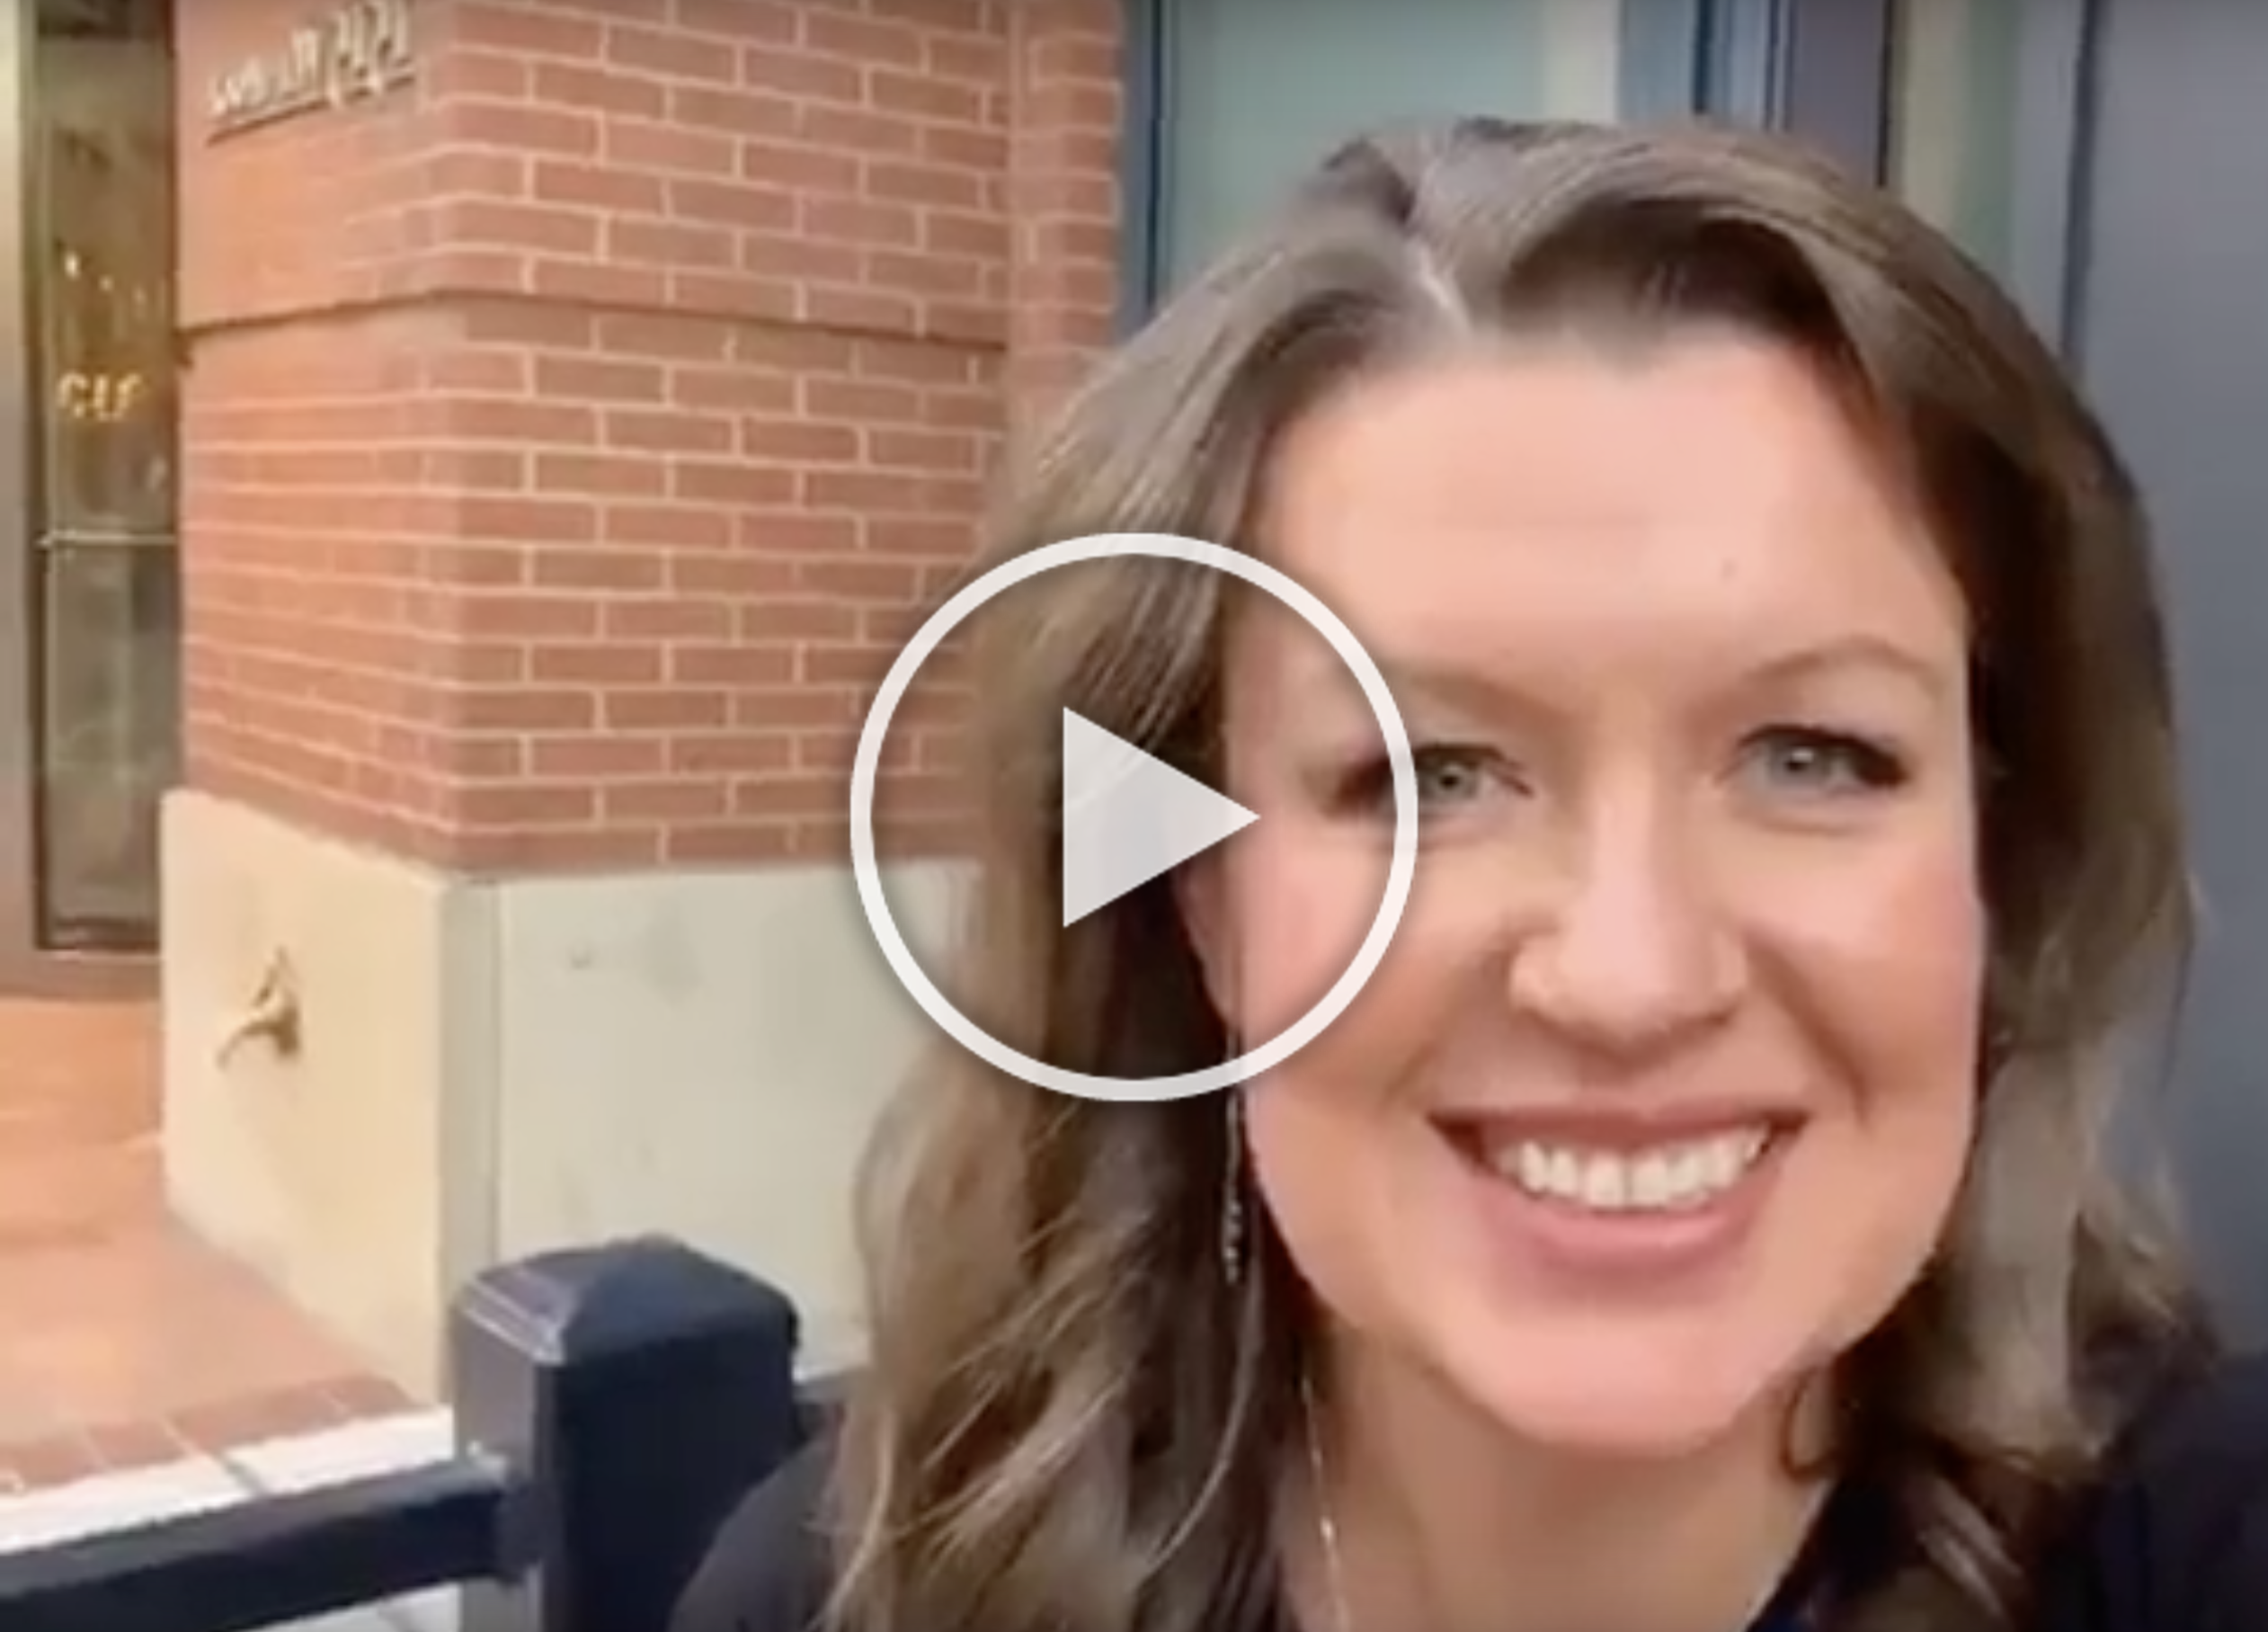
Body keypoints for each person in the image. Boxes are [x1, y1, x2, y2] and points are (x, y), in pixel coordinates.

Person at [673, 117, 2268, 1632]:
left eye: (1810, 755)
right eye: (1425, 776)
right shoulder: (856, 1596)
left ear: (1998, 865)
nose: (1631, 977)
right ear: (1196, 903)